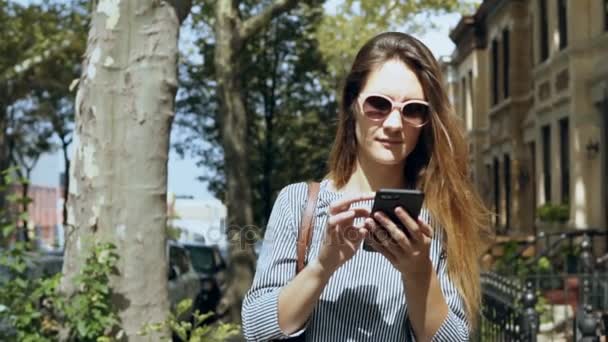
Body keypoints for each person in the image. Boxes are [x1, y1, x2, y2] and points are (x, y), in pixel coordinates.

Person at [242, 31, 490, 341]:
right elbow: (256, 328)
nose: (394, 124)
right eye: (378, 104)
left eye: (413, 109)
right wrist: (323, 266)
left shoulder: (437, 219)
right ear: (352, 105)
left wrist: (418, 274)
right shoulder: (298, 203)